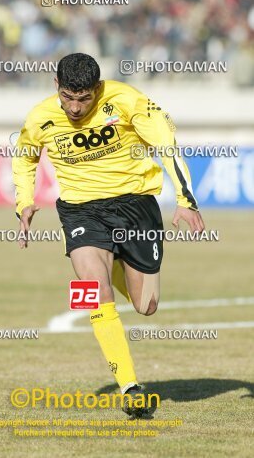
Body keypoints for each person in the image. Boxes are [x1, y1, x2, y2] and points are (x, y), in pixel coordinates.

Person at [12, 53, 205, 417]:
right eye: (68, 96)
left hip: (135, 205)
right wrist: (23, 202)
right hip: (80, 210)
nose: (74, 107)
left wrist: (185, 199)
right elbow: (24, 157)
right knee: (91, 291)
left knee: (146, 305)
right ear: (57, 86)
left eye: (84, 98)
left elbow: (167, 144)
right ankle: (130, 386)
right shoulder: (40, 117)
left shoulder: (127, 100)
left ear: (97, 89)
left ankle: (114, 258)